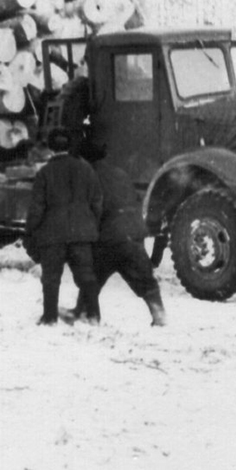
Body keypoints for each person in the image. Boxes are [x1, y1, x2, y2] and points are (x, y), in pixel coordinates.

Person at [72, 142, 168, 327]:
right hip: (133, 235)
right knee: (146, 282)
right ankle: (159, 315)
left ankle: (87, 315)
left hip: (109, 238)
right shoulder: (120, 174)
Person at [25, 126, 103, 326]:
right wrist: (90, 225)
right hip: (82, 233)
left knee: (51, 278)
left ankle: (50, 318)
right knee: (86, 276)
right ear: (70, 146)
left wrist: (30, 230)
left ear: (51, 147)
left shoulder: (44, 173)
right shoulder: (86, 169)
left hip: (52, 235)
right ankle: (93, 315)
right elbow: (97, 203)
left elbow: (36, 209)